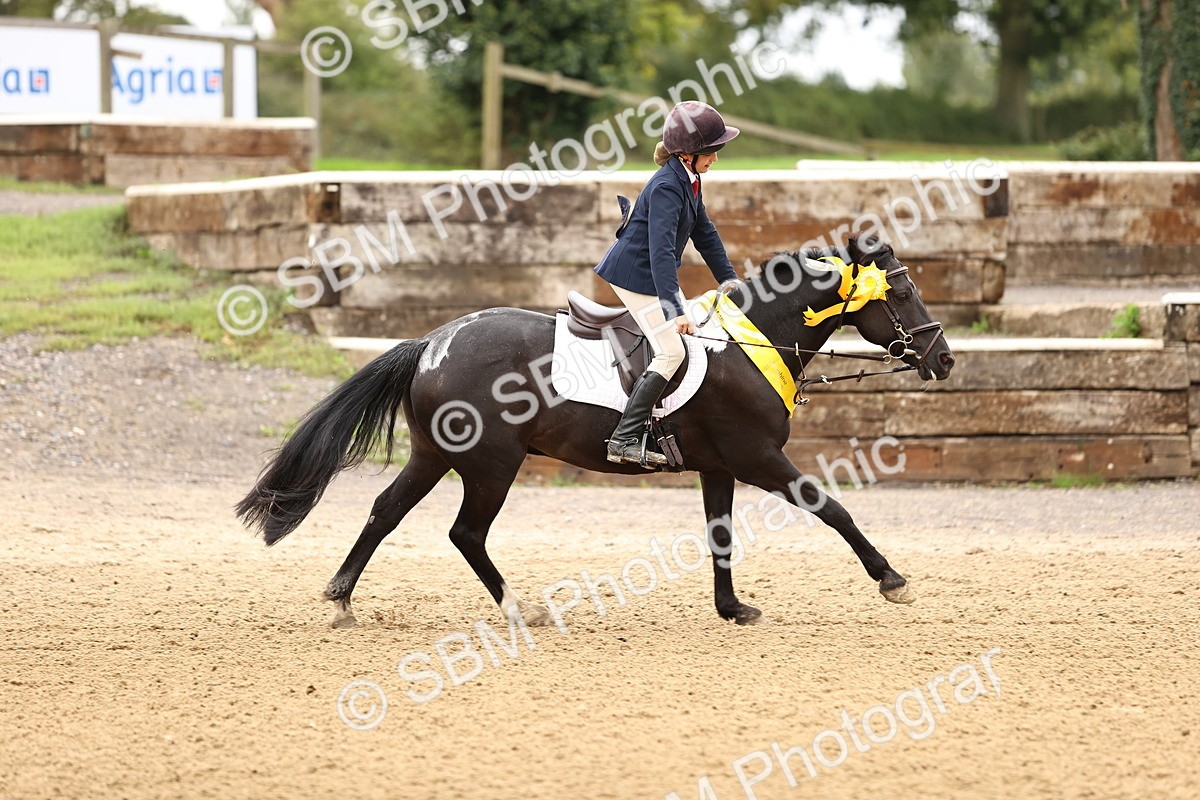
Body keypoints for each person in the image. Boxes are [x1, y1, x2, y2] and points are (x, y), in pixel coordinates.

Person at [594, 100, 741, 467]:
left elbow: (704, 231)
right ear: (688, 154)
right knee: (672, 350)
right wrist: (674, 311)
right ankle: (624, 438)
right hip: (634, 274)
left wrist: (728, 277)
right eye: (711, 152)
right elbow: (661, 253)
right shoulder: (666, 187)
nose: (715, 159)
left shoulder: (689, 179)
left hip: (652, 272)